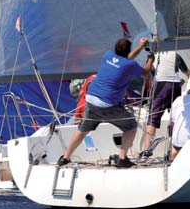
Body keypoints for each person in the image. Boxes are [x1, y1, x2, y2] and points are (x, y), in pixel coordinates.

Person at [58, 37, 152, 169]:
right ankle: (122, 158)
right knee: (131, 126)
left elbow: (125, 60)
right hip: (107, 104)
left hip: (90, 99)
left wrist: (140, 46)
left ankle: (65, 158)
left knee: (82, 130)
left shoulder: (108, 55)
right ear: (128, 50)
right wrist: (150, 59)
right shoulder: (129, 65)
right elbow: (146, 73)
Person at [141, 48, 187, 157]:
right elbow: (187, 72)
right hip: (176, 86)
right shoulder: (176, 55)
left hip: (161, 85)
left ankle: (147, 151)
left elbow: (149, 73)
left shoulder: (153, 55)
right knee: (174, 118)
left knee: (152, 118)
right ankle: (172, 151)